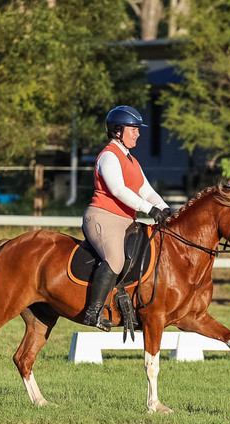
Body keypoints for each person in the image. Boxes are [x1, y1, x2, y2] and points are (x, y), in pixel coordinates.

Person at [82, 105, 171, 330]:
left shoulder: (131, 160)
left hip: (127, 221)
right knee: (115, 259)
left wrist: (164, 208)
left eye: (138, 129)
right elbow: (118, 190)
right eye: (133, 129)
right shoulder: (108, 156)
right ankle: (93, 312)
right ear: (117, 131)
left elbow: (146, 190)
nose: (138, 133)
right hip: (103, 217)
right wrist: (149, 210)